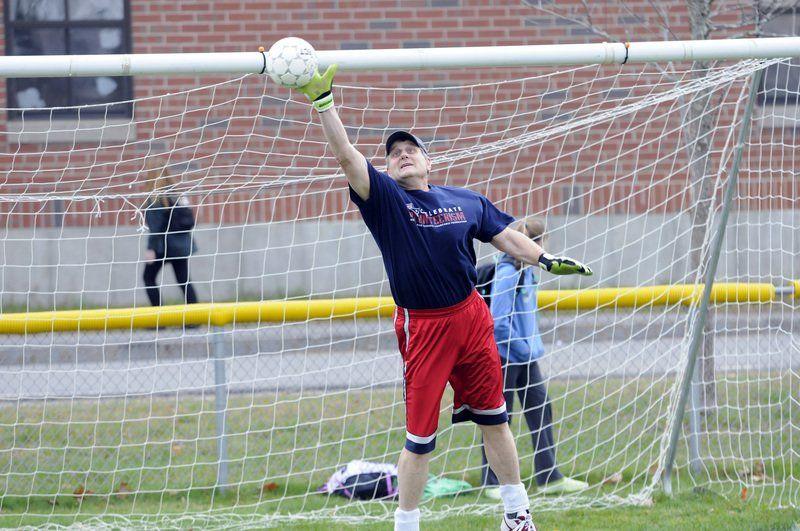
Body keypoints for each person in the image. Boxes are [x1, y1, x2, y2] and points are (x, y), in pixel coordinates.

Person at [293, 65, 593, 531]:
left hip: (471, 317)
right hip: (425, 326)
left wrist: (546, 259)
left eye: (411, 149)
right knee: (420, 438)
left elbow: (507, 238)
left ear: (429, 161)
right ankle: (406, 524)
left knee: (495, 418)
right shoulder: (387, 199)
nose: (402, 154)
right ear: (388, 169)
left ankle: (517, 515)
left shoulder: (465, 200)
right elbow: (349, 158)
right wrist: (324, 103)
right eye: (394, 153)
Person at [480, 218, 589, 500]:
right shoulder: (507, 274)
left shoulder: (528, 273)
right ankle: (492, 482)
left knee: (542, 411)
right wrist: (524, 349)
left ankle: (549, 476)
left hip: (525, 358)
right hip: (505, 359)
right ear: (535, 244)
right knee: (498, 420)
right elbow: (499, 323)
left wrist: (531, 349)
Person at [142, 164, 199, 307]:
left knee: (148, 277)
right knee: (184, 280)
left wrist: (151, 249)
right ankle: (195, 318)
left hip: (163, 247)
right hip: (180, 246)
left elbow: (156, 228)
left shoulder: (155, 198)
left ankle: (158, 318)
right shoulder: (177, 194)